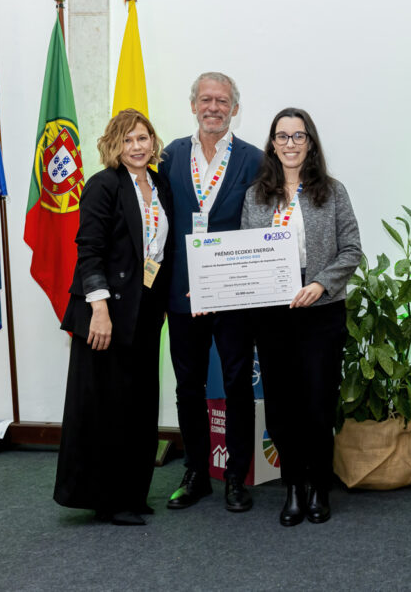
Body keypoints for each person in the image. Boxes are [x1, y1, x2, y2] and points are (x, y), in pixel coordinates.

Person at [241, 107, 361, 526]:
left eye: (298, 136)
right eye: (282, 136)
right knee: (280, 405)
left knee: (318, 403)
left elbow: (352, 249)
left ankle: (318, 487)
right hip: (273, 316)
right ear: (272, 144)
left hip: (321, 313)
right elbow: (246, 254)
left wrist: (321, 284)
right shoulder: (256, 195)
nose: (290, 144)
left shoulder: (333, 192)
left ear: (310, 143)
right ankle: (293, 485)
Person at [54, 109, 173, 526]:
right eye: (127, 139)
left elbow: (162, 250)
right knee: (108, 408)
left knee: (140, 405)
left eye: (142, 138)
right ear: (113, 145)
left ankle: (134, 495)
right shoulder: (103, 185)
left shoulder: (160, 184)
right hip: (106, 312)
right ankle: (109, 500)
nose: (137, 146)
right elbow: (89, 250)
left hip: (146, 312)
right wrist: (99, 311)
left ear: (153, 142)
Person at [159, 72, 263, 512]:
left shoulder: (255, 160)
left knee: (238, 383)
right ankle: (197, 473)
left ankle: (236, 476)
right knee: (188, 386)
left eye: (222, 101)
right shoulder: (168, 156)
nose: (213, 107)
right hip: (182, 294)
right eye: (206, 99)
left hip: (233, 294)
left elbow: (261, 226)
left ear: (234, 108)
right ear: (193, 105)